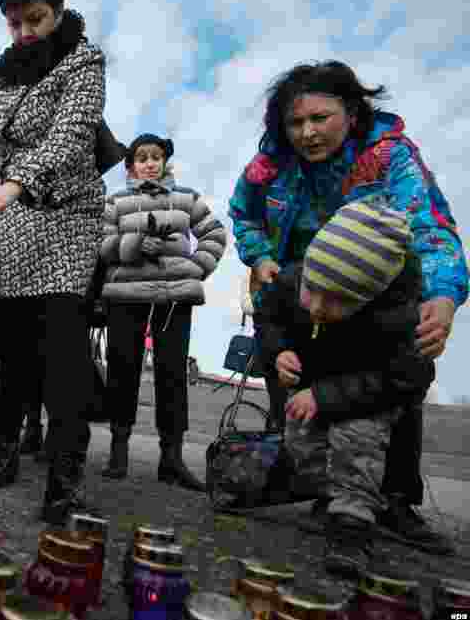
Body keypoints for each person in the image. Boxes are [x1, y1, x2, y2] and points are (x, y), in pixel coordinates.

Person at [228, 60, 467, 551]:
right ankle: (327, 491)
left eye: (321, 118)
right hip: (296, 293)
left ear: (352, 112)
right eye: (296, 123)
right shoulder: (268, 167)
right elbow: (244, 215)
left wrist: (442, 296)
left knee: (389, 382)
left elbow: (429, 224)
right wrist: (261, 257)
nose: (308, 133)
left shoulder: (389, 156)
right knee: (296, 384)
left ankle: (395, 498)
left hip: (374, 295)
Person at [0, 0, 106, 525]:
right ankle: (2, 452)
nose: (25, 32)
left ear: (57, 11)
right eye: (15, 23)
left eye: (35, 19)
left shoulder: (84, 60)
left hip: (64, 217)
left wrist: (18, 181)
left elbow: (74, 133)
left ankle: (65, 478)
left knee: (63, 352)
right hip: (12, 221)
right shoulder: (5, 73)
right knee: (11, 344)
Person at [260, 200, 434, 575]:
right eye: (314, 291)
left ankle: (352, 526)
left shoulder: (399, 317)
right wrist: (279, 353)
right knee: (304, 446)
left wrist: (325, 396)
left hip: (368, 401)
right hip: (312, 389)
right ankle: (331, 498)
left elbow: (406, 377)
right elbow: (270, 317)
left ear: (370, 297)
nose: (319, 308)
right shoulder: (293, 282)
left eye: (337, 301)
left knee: (355, 441)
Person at [97, 134, 225, 488]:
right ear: (131, 165)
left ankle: (172, 459)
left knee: (172, 374)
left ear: (164, 162)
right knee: (123, 368)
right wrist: (135, 244)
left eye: (156, 157)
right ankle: (118, 449)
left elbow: (214, 233)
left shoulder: (187, 199)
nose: (150, 163)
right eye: (142, 158)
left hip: (174, 297)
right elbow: (102, 245)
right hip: (125, 295)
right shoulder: (115, 202)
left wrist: (196, 267)